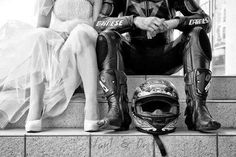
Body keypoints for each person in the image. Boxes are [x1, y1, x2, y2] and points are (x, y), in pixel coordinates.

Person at [94, 0, 221, 132]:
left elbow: (206, 20)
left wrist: (173, 23)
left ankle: (198, 111)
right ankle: (117, 111)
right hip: (132, 59)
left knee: (196, 32)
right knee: (107, 36)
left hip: (166, 58)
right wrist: (135, 21)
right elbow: (99, 23)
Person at [0, 0, 102, 132]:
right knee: (40, 36)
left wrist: (73, 32)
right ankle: (36, 104)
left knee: (80, 33)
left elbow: (97, 23)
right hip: (60, 41)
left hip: (86, 42)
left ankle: (91, 104)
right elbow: (42, 26)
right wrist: (60, 36)